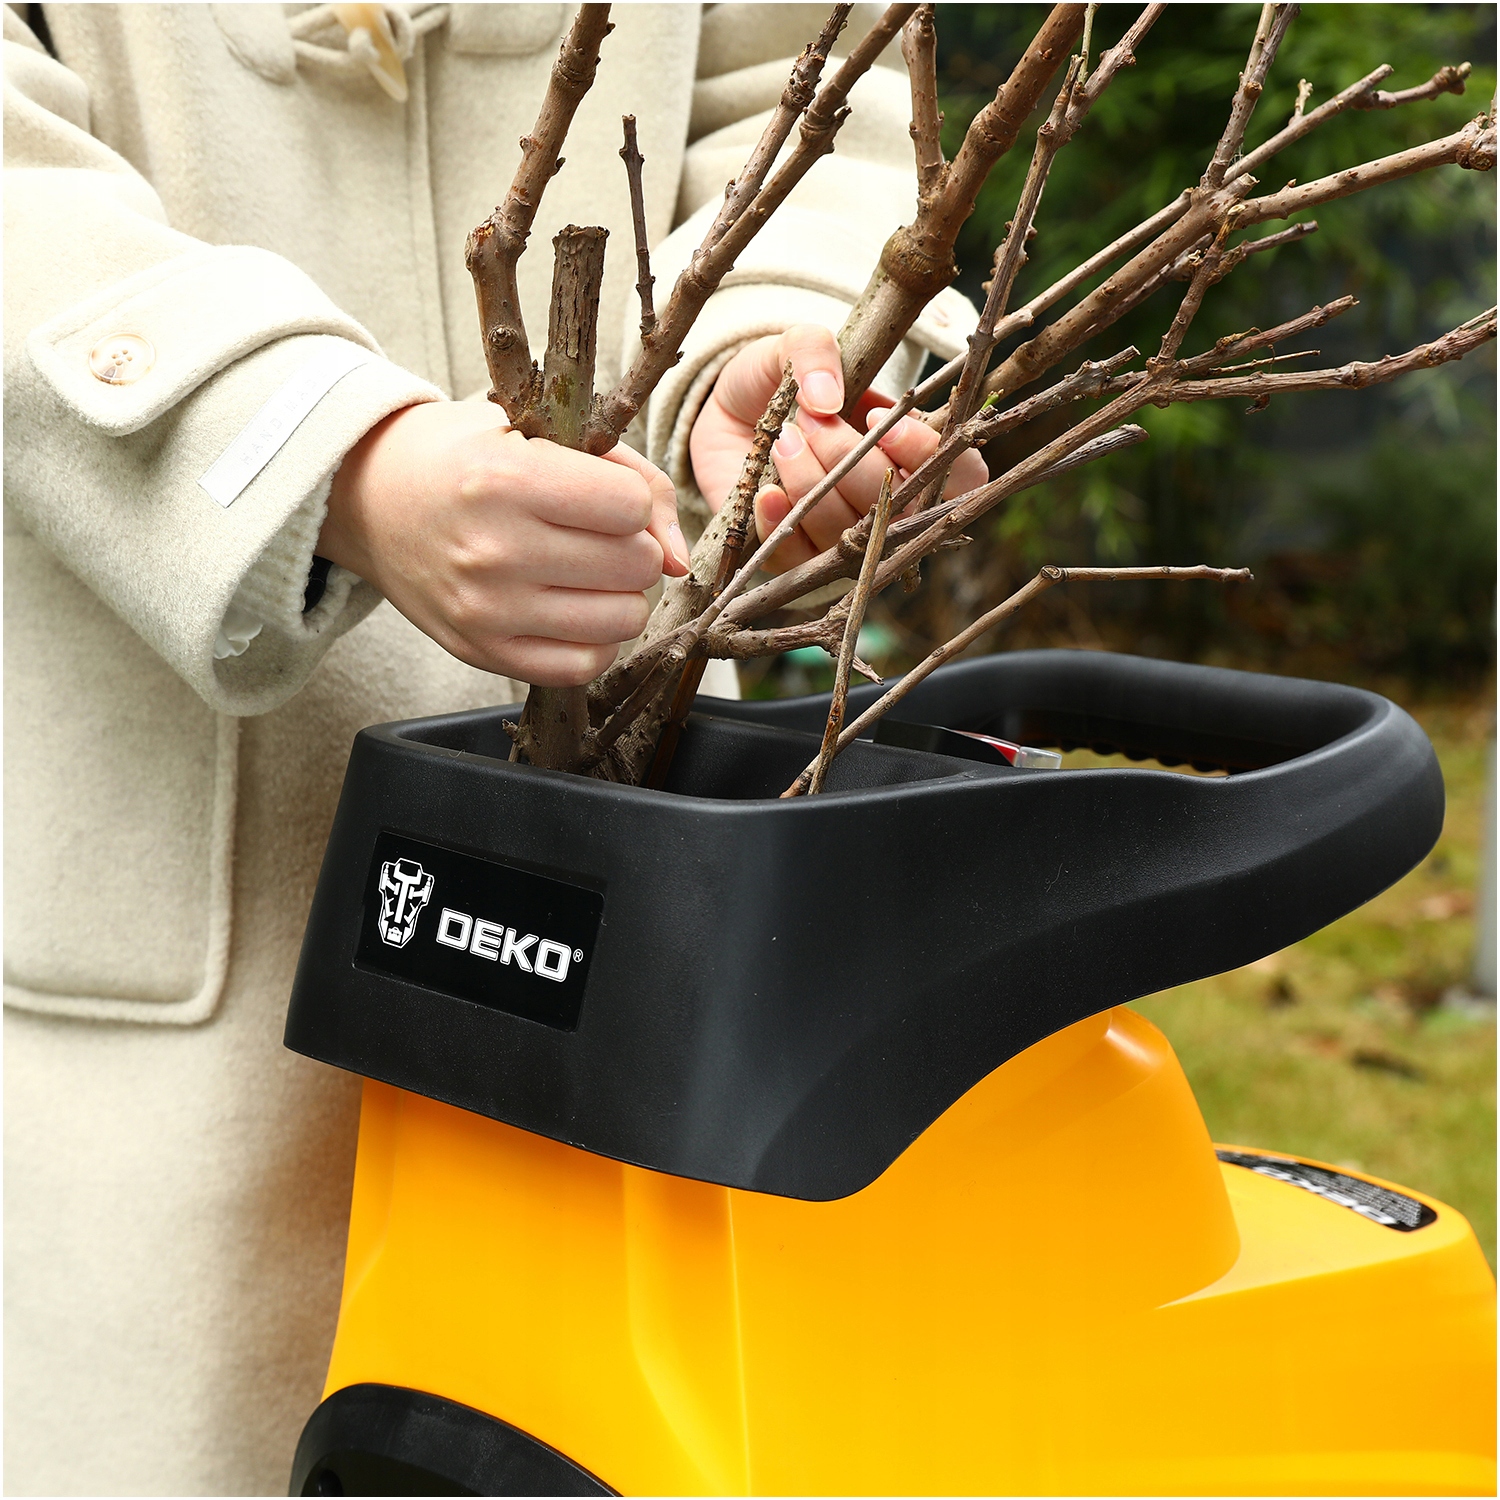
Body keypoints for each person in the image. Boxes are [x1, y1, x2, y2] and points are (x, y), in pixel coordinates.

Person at [3, 3, 981, 1492]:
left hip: (632, 855)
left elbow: (807, 72)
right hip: (158, 850)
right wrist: (330, 454)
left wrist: (787, 347)